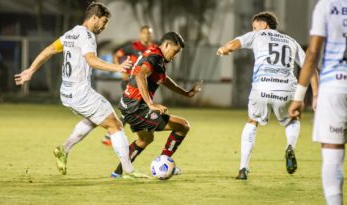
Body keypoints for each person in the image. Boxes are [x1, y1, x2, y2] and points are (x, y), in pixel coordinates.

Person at [14, 2, 147, 179]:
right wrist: (118, 67)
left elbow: (49, 50)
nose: (105, 26)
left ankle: (64, 149)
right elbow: (92, 60)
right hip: (80, 93)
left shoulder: (71, 34)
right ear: (94, 18)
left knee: (94, 120)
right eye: (104, 21)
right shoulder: (87, 36)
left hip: (67, 93)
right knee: (115, 124)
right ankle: (128, 171)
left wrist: (30, 70)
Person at [216, 11, 318, 180]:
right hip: (287, 90)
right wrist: (316, 94)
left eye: (255, 26)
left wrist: (223, 50)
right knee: (293, 119)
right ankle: (290, 146)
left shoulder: (257, 35)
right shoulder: (291, 41)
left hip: (261, 88)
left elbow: (233, 44)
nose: (254, 29)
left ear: (264, 25)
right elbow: (310, 67)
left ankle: (243, 168)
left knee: (252, 121)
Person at [110, 32, 203, 178]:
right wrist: (150, 104)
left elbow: (164, 80)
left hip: (129, 105)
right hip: (136, 107)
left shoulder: (156, 56)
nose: (176, 55)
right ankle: (164, 161)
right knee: (183, 126)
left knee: (145, 139)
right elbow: (140, 75)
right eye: (175, 51)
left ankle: (118, 172)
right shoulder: (155, 56)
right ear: (166, 45)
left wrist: (186, 93)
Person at [289, 0, 346, 204]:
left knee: (333, 156)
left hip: (335, 86)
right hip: (334, 88)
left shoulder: (326, 5)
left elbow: (312, 53)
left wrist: (299, 96)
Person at [101, 25, 157, 146]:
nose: (147, 35)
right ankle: (112, 135)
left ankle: (111, 135)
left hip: (142, 84)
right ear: (140, 34)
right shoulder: (133, 46)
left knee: (132, 110)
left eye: (149, 33)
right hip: (130, 82)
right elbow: (116, 55)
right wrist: (121, 70)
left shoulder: (153, 48)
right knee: (131, 110)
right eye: (145, 33)